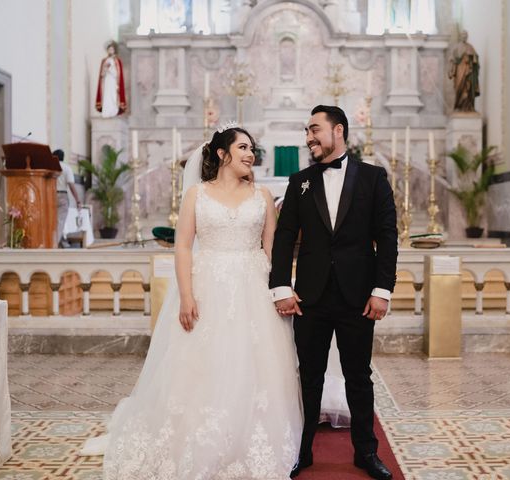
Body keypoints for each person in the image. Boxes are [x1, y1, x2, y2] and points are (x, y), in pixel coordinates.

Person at [80, 125, 302, 479]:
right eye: (242, 147)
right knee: (204, 365)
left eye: (252, 148)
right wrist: (186, 295)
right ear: (221, 153)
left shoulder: (262, 196)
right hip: (208, 285)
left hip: (253, 286)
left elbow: (272, 248)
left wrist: (283, 288)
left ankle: (249, 439)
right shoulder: (197, 195)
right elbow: (183, 246)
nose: (250, 154)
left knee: (256, 366)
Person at [270, 105, 398, 480]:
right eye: (307, 131)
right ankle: (302, 451)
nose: (308, 137)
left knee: (358, 376)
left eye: (315, 129)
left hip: (358, 295)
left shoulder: (374, 178)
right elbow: (283, 238)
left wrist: (382, 290)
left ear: (337, 130)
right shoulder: (300, 181)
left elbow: (387, 237)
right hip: (309, 296)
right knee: (308, 376)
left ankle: (366, 453)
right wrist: (281, 287)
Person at [53, 149, 81, 247]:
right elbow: (71, 186)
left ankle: (52, 243)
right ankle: (53, 245)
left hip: (50, 196)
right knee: (60, 222)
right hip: (62, 196)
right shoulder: (66, 168)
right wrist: (78, 200)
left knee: (51, 222)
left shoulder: (51, 168)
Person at [448, 30, 480, 112]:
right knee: (459, 87)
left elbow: (475, 59)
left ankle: (468, 107)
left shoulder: (470, 47)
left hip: (468, 71)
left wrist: (472, 59)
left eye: (466, 35)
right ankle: (458, 106)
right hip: (459, 70)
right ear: (460, 36)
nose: (464, 36)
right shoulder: (456, 47)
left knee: (468, 88)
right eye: (463, 34)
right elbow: (452, 59)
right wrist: (451, 70)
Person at [95, 41, 127, 118]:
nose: (110, 51)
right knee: (106, 95)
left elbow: (118, 74)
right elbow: (101, 74)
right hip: (106, 81)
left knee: (113, 96)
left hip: (113, 81)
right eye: (109, 49)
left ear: (114, 50)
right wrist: (105, 69)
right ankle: (106, 111)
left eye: (112, 49)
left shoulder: (117, 61)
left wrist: (111, 69)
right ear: (107, 50)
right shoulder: (104, 60)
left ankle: (113, 111)